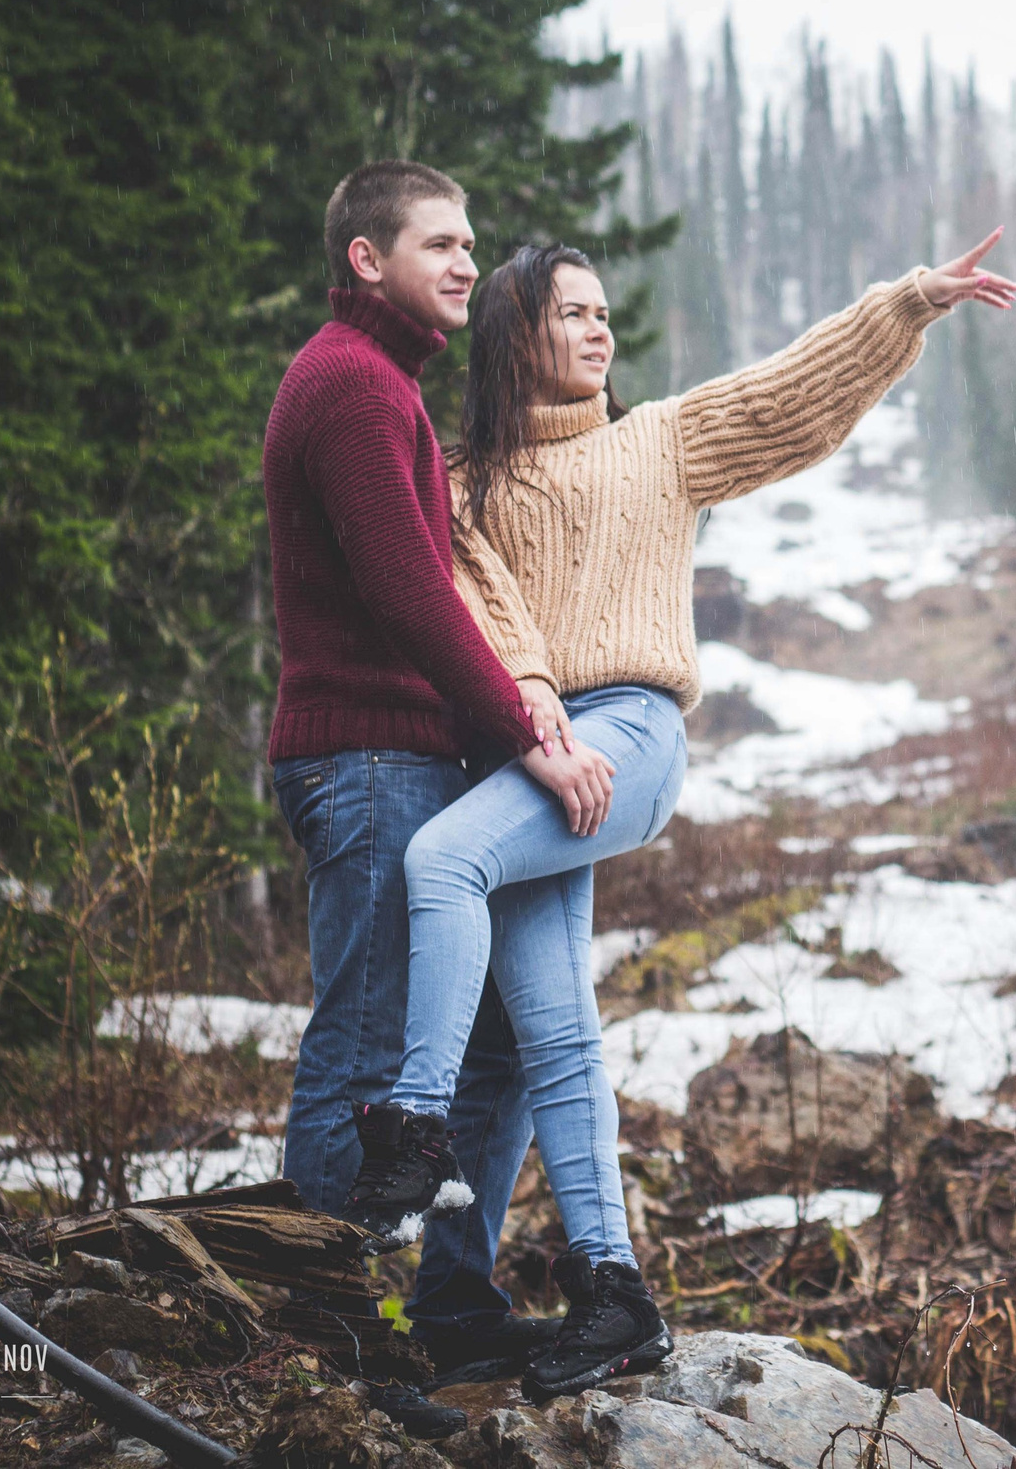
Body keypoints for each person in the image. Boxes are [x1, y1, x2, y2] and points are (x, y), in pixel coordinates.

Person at [340, 229, 1016, 1399]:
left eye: (606, 312)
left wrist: (909, 302)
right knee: (554, 1029)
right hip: (535, 750)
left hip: (632, 734)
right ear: (517, 338)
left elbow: (791, 396)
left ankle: (412, 1125)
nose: (601, 330)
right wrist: (537, 726)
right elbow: (480, 614)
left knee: (443, 860)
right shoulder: (467, 481)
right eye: (573, 314)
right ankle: (615, 1294)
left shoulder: (658, 442)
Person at [262, 160, 616, 1431]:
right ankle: (329, 1345)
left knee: (495, 1048)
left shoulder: (381, 385)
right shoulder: (353, 388)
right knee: (363, 1048)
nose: (469, 262)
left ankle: (449, 1305)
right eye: (441, 242)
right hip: (365, 764)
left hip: (401, 763)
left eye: (472, 245)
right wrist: (529, 734)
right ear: (368, 257)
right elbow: (417, 599)